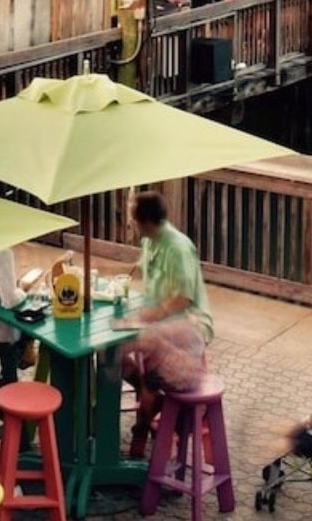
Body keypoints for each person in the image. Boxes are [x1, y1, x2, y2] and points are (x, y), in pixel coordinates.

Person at [119, 189, 213, 458]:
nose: (131, 224)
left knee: (143, 356)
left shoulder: (178, 248)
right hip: (160, 321)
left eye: (133, 219)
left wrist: (151, 315)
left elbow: (183, 299)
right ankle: (149, 397)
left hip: (188, 323)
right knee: (112, 352)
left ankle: (143, 424)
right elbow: (145, 281)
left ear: (145, 222)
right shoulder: (149, 242)